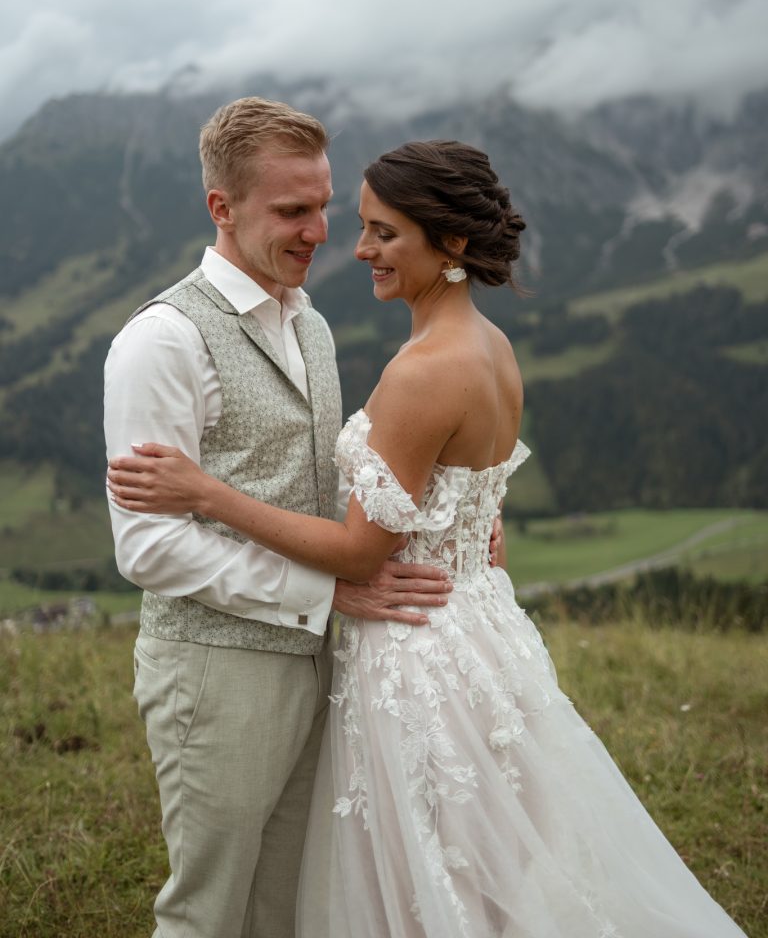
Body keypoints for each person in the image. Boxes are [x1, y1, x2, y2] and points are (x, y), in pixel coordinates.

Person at [109, 140, 747, 938]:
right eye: (356, 224)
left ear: (450, 243)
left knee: (421, 880)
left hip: (413, 652)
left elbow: (360, 552)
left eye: (382, 232)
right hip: (480, 635)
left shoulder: (415, 369)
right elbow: (485, 523)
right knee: (478, 870)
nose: (357, 247)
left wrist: (207, 492)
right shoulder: (494, 348)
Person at [103, 98, 457, 938]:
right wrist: (323, 593)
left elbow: (312, 487)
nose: (321, 231)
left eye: (323, 204)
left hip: (317, 666)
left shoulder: (314, 324)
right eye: (293, 211)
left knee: (286, 908)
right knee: (207, 912)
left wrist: (441, 521)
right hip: (214, 671)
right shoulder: (163, 341)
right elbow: (146, 547)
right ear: (221, 208)